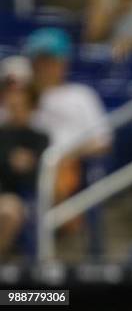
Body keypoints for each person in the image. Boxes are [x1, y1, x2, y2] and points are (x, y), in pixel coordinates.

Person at [24, 28, 111, 204]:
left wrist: (67, 156)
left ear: (63, 62)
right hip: (25, 164)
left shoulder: (81, 95)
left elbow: (102, 142)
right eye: (39, 61)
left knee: (54, 173)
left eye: (51, 61)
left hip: (67, 165)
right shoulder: (20, 98)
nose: (45, 67)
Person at [0, 68, 48, 259]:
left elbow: (35, 175)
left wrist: (18, 164)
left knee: (9, 209)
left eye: (21, 96)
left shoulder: (40, 137)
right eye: (11, 96)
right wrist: (10, 161)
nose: (15, 101)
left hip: (16, 197)